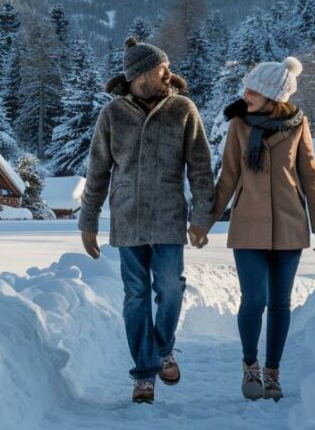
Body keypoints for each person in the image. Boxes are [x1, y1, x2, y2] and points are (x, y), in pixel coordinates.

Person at [79, 38, 215, 406]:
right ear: (132, 76)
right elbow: (97, 173)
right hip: (127, 219)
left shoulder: (183, 110)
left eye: (154, 70)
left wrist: (201, 217)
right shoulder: (112, 114)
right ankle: (144, 374)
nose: (152, 76)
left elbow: (201, 169)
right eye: (141, 72)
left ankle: (164, 349)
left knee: (170, 288)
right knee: (135, 296)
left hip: (169, 217)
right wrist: (87, 221)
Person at [189, 56, 315, 402]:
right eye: (247, 87)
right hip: (248, 225)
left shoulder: (298, 124)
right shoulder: (239, 125)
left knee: (281, 302)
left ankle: (273, 372)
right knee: (255, 299)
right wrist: (203, 222)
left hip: (290, 225)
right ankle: (250, 364)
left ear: (272, 96)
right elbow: (228, 178)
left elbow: (310, 175)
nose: (246, 93)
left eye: (253, 90)